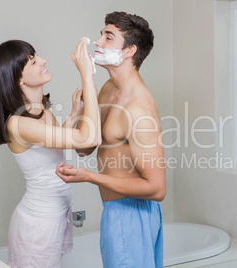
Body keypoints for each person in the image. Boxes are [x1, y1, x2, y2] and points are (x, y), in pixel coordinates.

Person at [56, 11, 166, 267]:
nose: (97, 42)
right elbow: (86, 148)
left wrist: (89, 177)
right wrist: (81, 108)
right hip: (114, 212)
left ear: (129, 51)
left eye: (108, 37)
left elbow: (157, 188)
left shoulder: (138, 107)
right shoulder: (108, 88)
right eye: (101, 34)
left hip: (132, 215)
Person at [0, 38, 101, 268]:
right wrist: (87, 77)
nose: (43, 61)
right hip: (38, 224)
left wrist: (75, 113)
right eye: (33, 61)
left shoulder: (41, 113)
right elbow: (89, 138)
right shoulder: (18, 124)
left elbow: (59, 144)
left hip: (56, 215)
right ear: (18, 78)